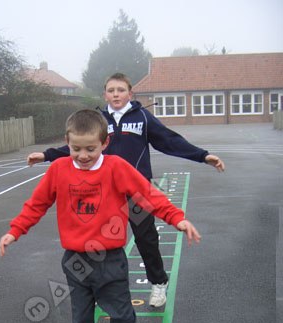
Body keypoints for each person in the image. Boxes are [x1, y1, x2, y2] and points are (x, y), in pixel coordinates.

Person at [0, 109, 201, 323]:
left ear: (104, 143)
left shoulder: (116, 167)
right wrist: (15, 231)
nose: (82, 155)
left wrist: (176, 218)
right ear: (67, 142)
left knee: (123, 319)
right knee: (81, 321)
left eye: (90, 149)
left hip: (110, 260)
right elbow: (37, 204)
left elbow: (148, 193)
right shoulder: (58, 170)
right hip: (76, 262)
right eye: (76, 148)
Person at [27, 73, 225, 308]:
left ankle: (158, 284)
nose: (116, 94)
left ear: (130, 93)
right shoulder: (98, 119)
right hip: (106, 193)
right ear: (105, 95)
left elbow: (169, 140)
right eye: (111, 90)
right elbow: (76, 145)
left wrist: (202, 156)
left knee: (146, 240)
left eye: (120, 90)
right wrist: (47, 155)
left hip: (137, 192)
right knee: (99, 243)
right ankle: (97, 288)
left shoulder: (142, 117)